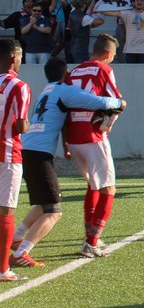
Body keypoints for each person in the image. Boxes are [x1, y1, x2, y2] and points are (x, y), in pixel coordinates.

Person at [11, 55, 123, 273]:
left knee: (43, 203)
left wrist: (66, 143)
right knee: (54, 211)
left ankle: (16, 237)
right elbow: (99, 102)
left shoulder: (46, 91)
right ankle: (21, 253)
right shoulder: (64, 90)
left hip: (28, 148)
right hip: (39, 153)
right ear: (65, 74)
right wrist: (120, 103)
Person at [65, 34, 125, 257]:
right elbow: (117, 101)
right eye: (113, 56)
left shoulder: (74, 71)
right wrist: (107, 124)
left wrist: (65, 141)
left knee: (93, 184)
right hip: (93, 136)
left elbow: (64, 104)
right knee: (108, 188)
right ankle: (91, 242)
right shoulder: (104, 69)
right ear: (108, 54)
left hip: (73, 136)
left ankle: (91, 237)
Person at [0, 39, 31, 282]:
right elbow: (21, 125)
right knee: (6, 211)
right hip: (8, 153)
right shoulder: (19, 86)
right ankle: (3, 270)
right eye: (20, 57)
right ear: (13, 58)